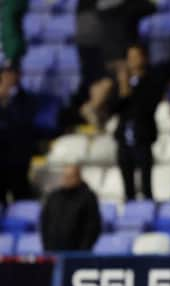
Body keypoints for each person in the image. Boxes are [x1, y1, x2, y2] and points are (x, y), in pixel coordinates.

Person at [113, 44, 164, 200]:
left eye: (136, 57)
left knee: (146, 184)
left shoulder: (152, 80)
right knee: (127, 186)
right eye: (130, 57)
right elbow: (115, 108)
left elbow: (146, 107)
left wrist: (129, 90)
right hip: (124, 138)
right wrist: (123, 88)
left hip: (143, 136)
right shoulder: (122, 82)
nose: (132, 61)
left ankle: (147, 211)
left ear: (144, 58)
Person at [40, 165, 102, 251]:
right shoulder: (54, 197)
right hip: (53, 251)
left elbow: (92, 227)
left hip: (77, 254)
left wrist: (83, 251)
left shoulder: (88, 197)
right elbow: (44, 222)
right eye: (65, 177)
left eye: (70, 177)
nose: (67, 180)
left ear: (78, 177)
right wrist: (47, 248)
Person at [0, 62, 37, 205]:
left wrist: (5, 100)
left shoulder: (27, 99)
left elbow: (22, 123)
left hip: (18, 159)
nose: (8, 77)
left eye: (12, 73)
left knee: (21, 198)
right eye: (5, 73)